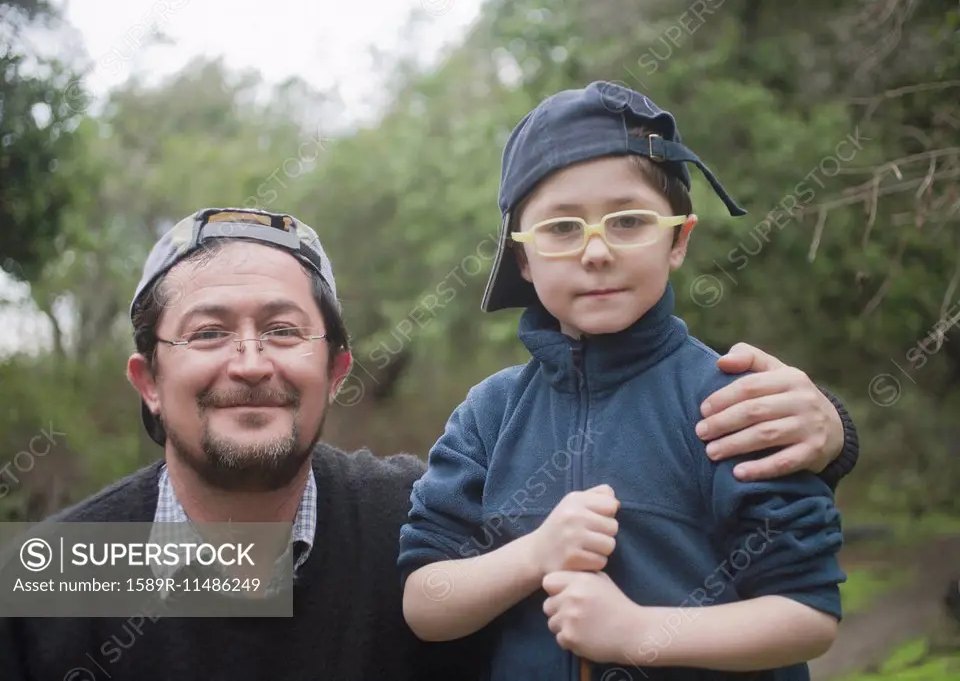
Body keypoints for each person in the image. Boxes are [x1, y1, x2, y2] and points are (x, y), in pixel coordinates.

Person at [0, 191, 854, 679]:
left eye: (285, 331)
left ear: (335, 372)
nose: (251, 362)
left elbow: (629, 466)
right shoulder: (54, 573)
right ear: (148, 378)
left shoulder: (422, 524)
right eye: (210, 332)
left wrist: (827, 435)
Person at [398, 81, 850, 681]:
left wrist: (640, 634)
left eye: (629, 220)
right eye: (561, 228)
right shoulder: (488, 415)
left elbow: (808, 613)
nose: (595, 252)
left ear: (678, 239)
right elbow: (423, 603)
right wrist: (534, 554)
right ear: (523, 260)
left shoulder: (734, 400)